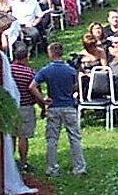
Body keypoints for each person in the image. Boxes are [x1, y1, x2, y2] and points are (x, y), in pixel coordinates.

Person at [29, 43, 87, 177]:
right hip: (69, 106)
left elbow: (32, 86)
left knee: (52, 139)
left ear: (50, 54)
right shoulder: (70, 70)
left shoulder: (46, 70)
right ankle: (79, 167)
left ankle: (52, 168)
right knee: (75, 138)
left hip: (54, 107)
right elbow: (76, 87)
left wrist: (43, 99)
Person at [9, 42, 41, 173]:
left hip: (10, 107)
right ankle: (23, 162)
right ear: (26, 57)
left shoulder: (8, 71)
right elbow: (36, 91)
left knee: (11, 135)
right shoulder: (30, 73)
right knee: (23, 136)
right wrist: (42, 105)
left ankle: (9, 162)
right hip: (25, 107)